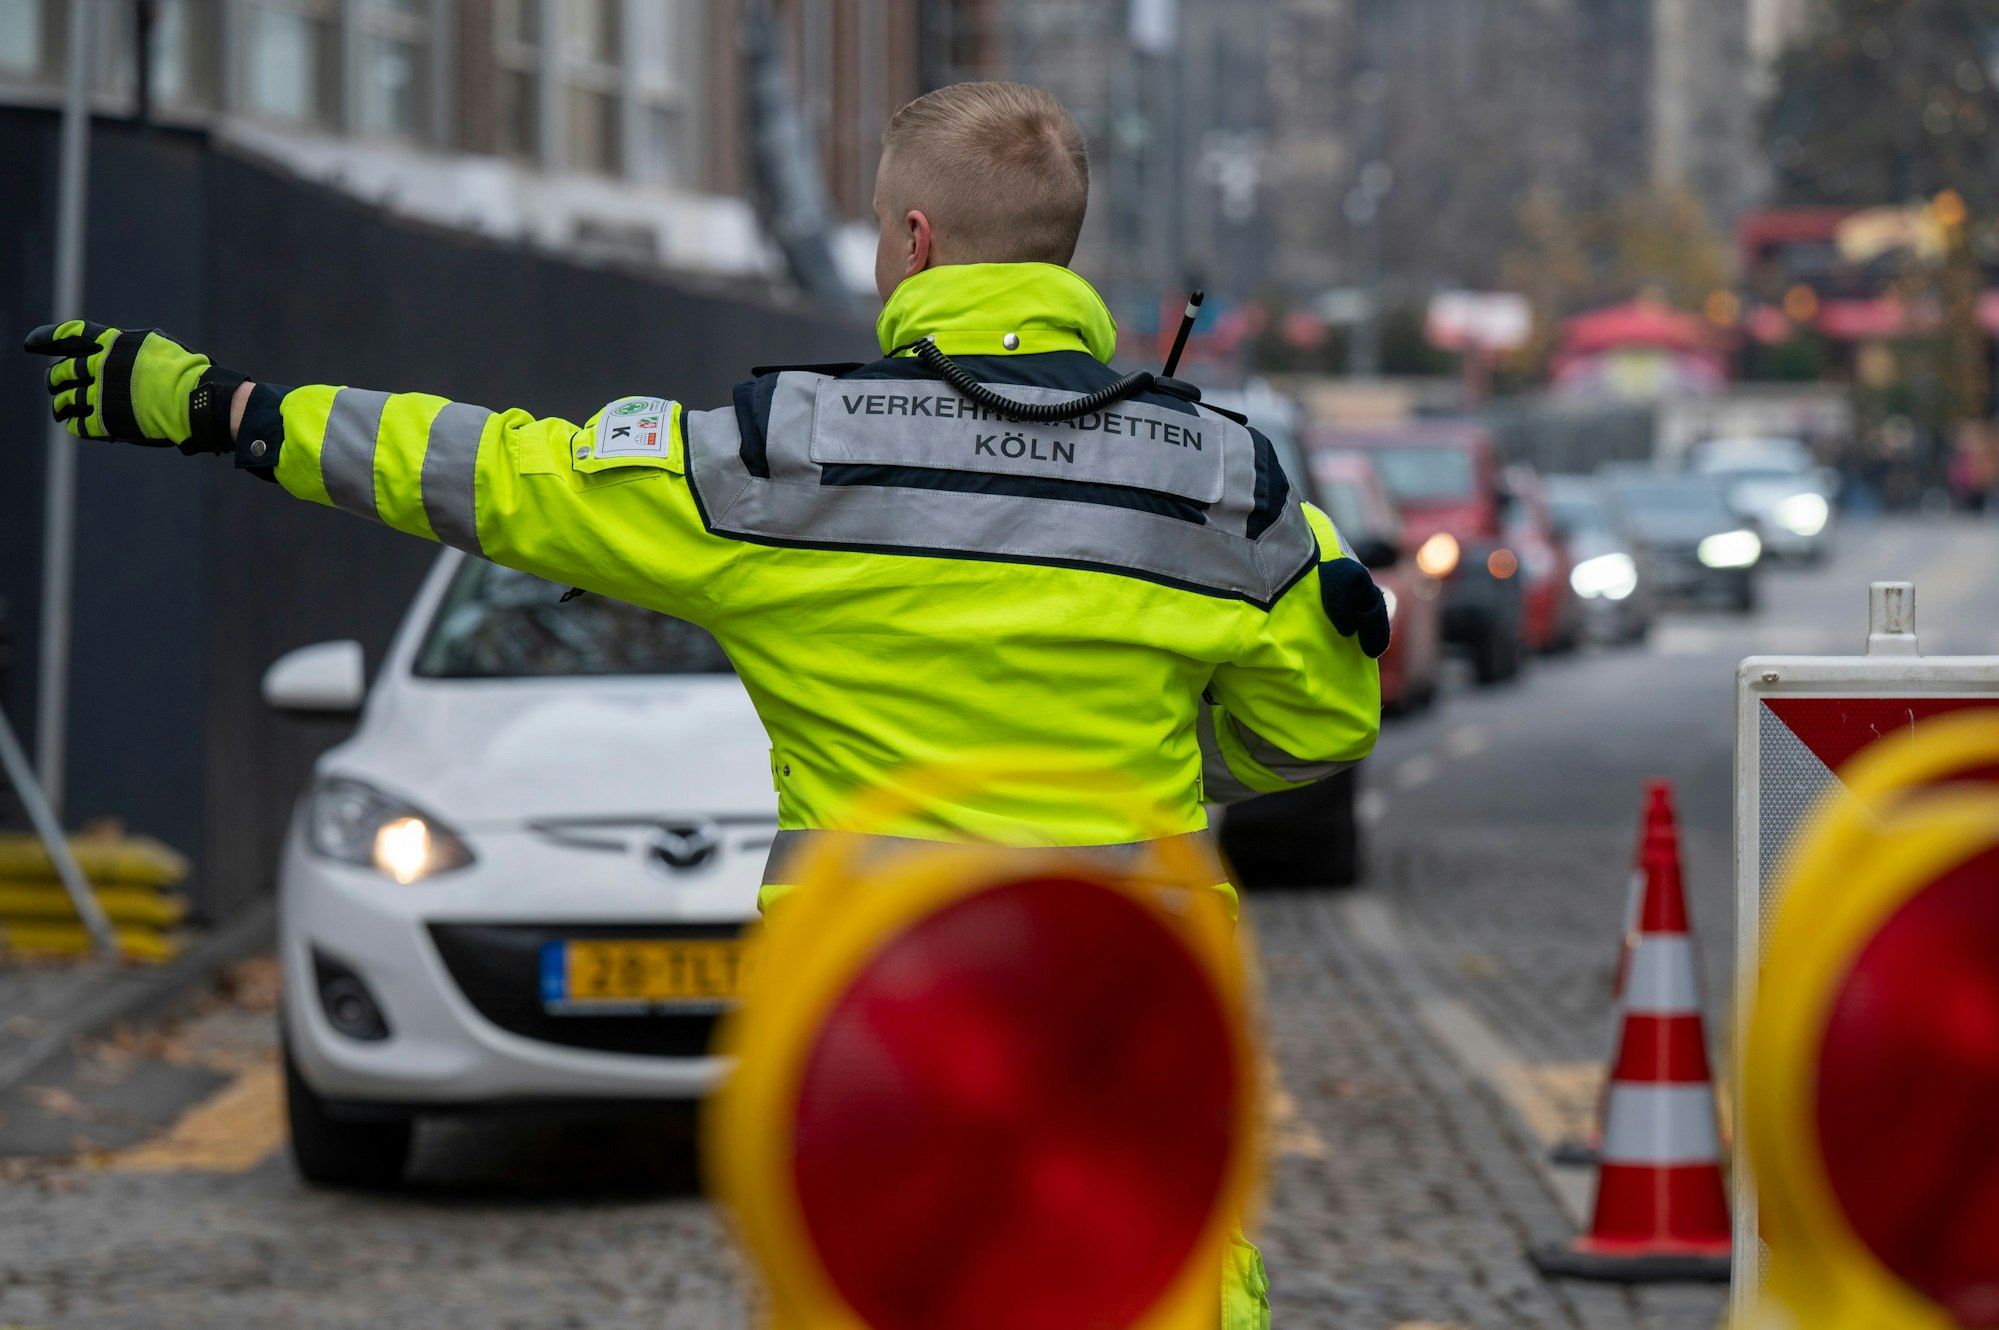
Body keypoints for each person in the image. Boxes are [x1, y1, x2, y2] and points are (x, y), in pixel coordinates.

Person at [26, 81, 1382, 1329]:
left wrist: (229, 409)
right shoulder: (1227, 484)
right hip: (1129, 1035)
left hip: (880, 1052)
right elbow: (1325, 714)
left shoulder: (785, 461)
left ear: (916, 242)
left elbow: (500, 475)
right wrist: (1164, 767)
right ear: (1059, 252)